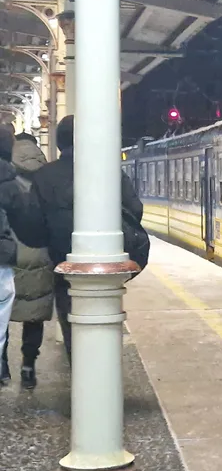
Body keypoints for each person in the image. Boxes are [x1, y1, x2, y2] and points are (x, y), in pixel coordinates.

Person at [28, 116, 144, 359]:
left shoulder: (43, 176)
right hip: (106, 262)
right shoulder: (109, 172)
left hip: (62, 263)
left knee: (70, 320)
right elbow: (135, 209)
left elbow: (33, 227)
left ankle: (78, 365)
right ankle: (99, 369)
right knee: (104, 321)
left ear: (59, 142)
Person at [0, 131, 54, 389]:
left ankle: (3, 365)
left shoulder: (8, 176)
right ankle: (28, 365)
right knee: (35, 313)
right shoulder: (46, 175)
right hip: (40, 251)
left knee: (4, 313)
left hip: (10, 254)